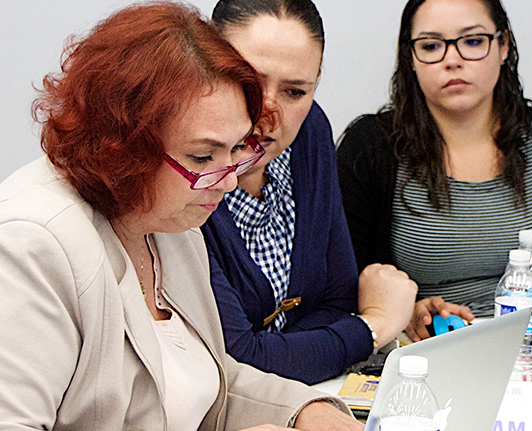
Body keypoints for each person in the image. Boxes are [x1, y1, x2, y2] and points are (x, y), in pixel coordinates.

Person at [0, 3, 363, 430]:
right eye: (204, 155)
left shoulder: (174, 220)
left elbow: (208, 377)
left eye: (236, 150)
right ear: (125, 143)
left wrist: (306, 410)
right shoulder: (32, 246)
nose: (228, 182)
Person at [337, 0, 532, 342]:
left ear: (503, 46)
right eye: (431, 46)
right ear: (410, 58)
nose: (452, 60)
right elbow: (336, 278)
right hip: (423, 356)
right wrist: (403, 312)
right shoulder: (371, 148)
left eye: (473, 41)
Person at [202, 0, 417, 385]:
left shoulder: (310, 130)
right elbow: (235, 359)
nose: (268, 112)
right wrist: (375, 325)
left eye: (295, 92)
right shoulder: (189, 174)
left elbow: (336, 302)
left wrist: (292, 353)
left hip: (302, 396)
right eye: (248, 81)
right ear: (205, 65)